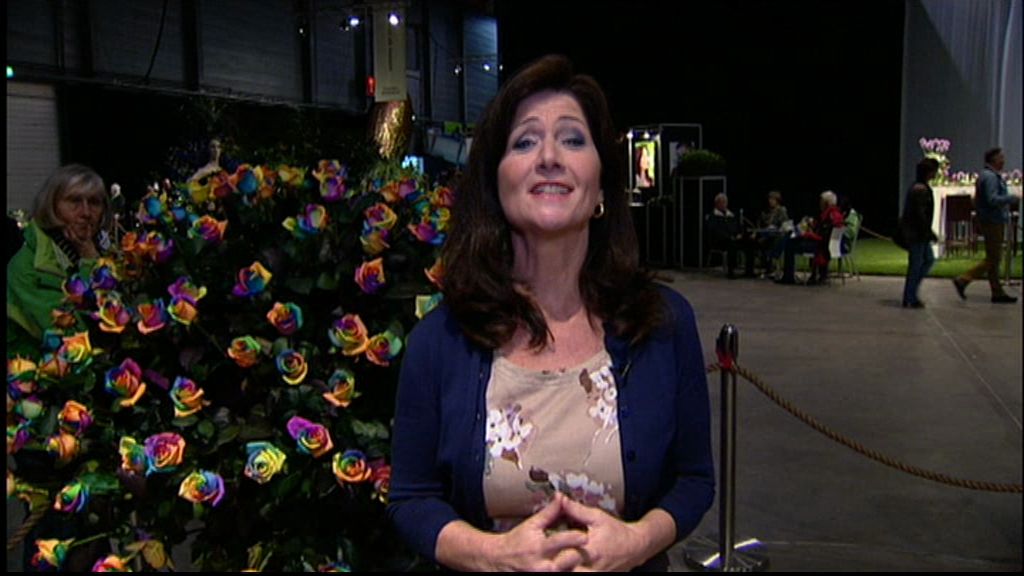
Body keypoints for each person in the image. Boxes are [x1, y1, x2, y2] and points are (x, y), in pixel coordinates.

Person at [388, 55, 714, 572]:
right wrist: (493, 555)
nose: (549, 157)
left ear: (601, 184)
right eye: (524, 142)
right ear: (495, 182)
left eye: (573, 139)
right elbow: (411, 498)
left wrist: (638, 542)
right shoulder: (440, 340)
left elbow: (694, 481)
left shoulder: (663, 323)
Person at [7, 164, 112, 357]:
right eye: (74, 201)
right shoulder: (28, 267)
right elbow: (75, 340)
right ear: (52, 207)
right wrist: (90, 260)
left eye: (94, 202)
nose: (86, 212)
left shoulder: (106, 253)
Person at [952, 147, 1020, 303]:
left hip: (989, 220)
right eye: (1001, 158)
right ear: (994, 159)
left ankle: (997, 292)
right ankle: (964, 279)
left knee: (993, 258)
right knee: (993, 258)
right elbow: (992, 199)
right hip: (992, 221)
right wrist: (1011, 198)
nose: (1003, 161)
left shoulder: (987, 175)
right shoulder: (990, 177)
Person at [776, 190, 845, 285]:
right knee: (793, 241)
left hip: (821, 247)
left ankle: (788, 276)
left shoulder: (830, 215)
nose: (820, 203)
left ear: (826, 203)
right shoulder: (835, 214)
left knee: (790, 244)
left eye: (821, 201)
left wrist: (807, 234)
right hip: (828, 246)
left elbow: (823, 237)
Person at [900, 158, 940, 308]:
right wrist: (929, 232)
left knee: (927, 260)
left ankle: (911, 293)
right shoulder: (920, 190)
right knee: (916, 265)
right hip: (917, 234)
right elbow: (920, 214)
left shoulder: (919, 188)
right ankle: (910, 296)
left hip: (919, 233)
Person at [706, 193, 755, 277]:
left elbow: (739, 227)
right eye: (722, 202)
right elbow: (715, 231)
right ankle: (731, 271)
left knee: (750, 243)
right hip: (720, 241)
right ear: (717, 203)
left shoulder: (731, 215)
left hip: (735, 238)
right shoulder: (713, 216)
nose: (724, 204)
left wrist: (740, 234)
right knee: (731, 244)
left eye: (725, 202)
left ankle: (749, 271)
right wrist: (730, 237)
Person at [755, 190, 789, 275]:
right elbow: (762, 223)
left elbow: (785, 224)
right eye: (769, 199)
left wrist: (775, 227)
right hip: (767, 234)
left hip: (777, 235)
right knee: (757, 240)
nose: (770, 201)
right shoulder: (767, 211)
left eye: (772, 199)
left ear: (777, 200)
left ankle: (771, 263)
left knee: (769, 241)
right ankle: (766, 265)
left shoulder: (782, 211)